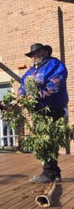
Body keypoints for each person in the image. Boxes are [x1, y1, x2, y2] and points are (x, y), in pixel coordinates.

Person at [18, 43, 68, 183]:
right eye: (33, 54)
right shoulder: (32, 71)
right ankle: (54, 172)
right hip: (39, 110)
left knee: (48, 140)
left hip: (53, 108)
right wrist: (21, 95)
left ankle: (49, 173)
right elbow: (23, 84)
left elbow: (55, 85)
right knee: (46, 139)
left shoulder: (55, 64)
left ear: (46, 52)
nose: (35, 56)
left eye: (38, 53)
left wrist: (37, 95)